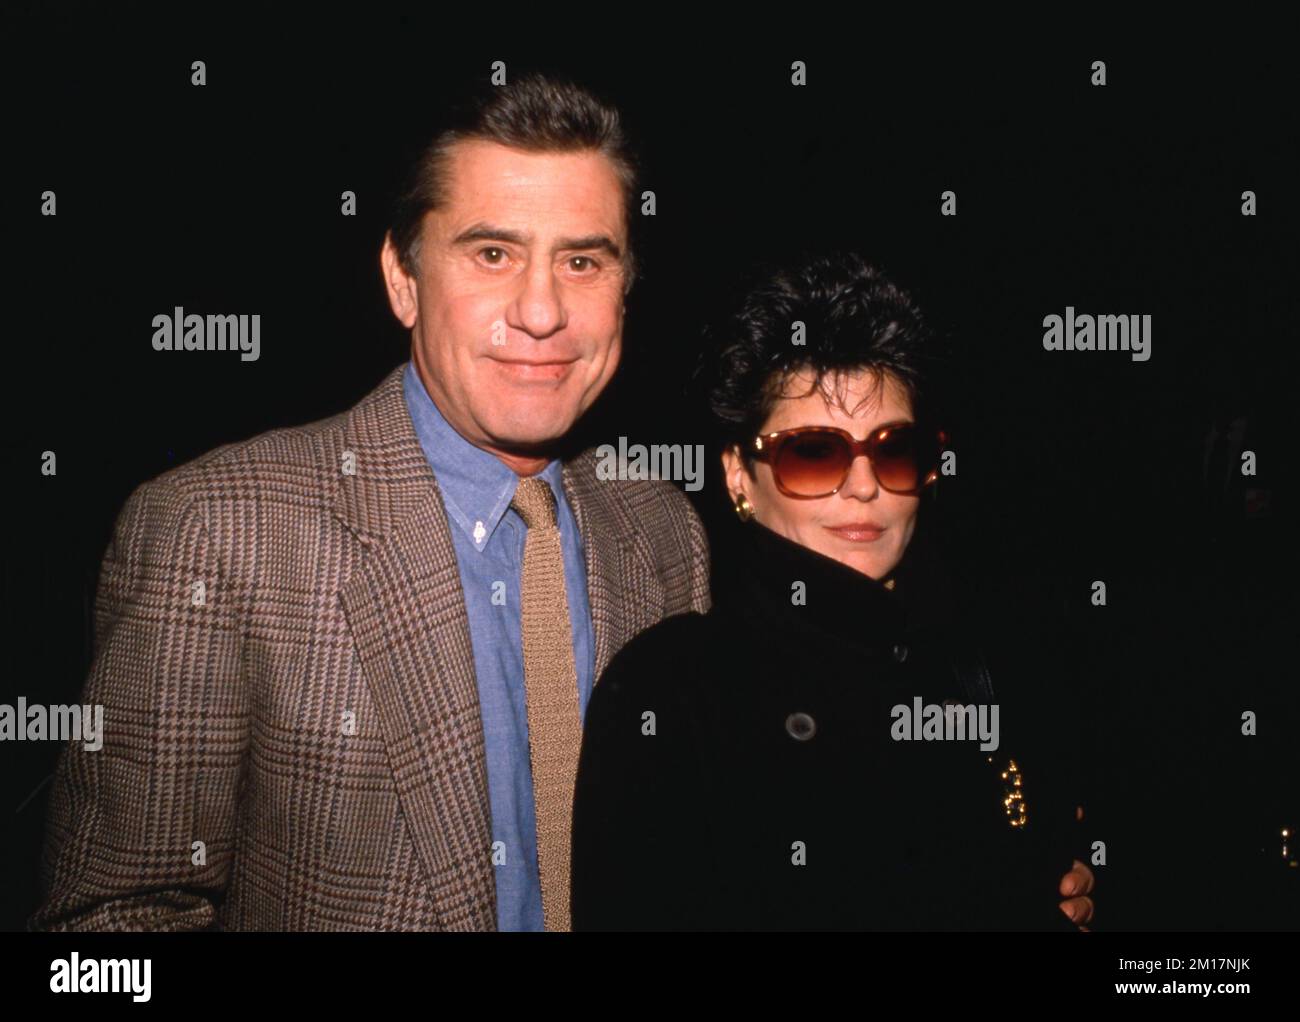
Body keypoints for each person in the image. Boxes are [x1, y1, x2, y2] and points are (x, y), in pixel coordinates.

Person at [30, 73, 709, 932]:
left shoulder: (664, 532)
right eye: (491, 254)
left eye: (582, 261)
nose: (542, 311)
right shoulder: (220, 532)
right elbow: (102, 935)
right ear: (403, 279)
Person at [571, 252, 1097, 930]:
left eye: (892, 449)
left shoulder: (967, 663)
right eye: (814, 452)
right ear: (739, 475)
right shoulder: (670, 694)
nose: (863, 484)